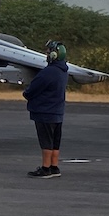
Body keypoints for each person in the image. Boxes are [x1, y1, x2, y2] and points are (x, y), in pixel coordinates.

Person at [22, 41, 69, 178]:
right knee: (55, 141)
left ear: (54, 54)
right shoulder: (63, 71)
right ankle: (54, 166)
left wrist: (27, 94)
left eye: (48, 52)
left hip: (45, 111)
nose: (47, 55)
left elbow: (33, 89)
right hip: (57, 111)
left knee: (46, 141)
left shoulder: (48, 72)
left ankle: (45, 168)